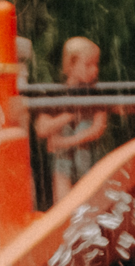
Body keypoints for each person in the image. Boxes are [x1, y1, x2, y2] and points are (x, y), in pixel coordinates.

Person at [34, 37, 118, 185]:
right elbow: (42, 129)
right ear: (70, 66)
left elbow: (97, 128)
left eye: (96, 64)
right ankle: (64, 196)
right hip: (64, 159)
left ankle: (86, 188)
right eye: (88, 65)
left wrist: (64, 142)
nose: (95, 70)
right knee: (64, 128)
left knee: (83, 127)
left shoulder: (96, 93)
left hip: (89, 158)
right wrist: (68, 116)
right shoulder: (56, 94)